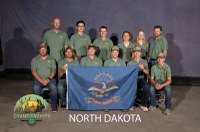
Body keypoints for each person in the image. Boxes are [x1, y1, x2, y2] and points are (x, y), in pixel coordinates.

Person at [31, 43, 57, 112]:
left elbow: (53, 71)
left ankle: (54, 106)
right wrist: (41, 80)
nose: (42, 51)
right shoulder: (34, 59)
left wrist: (48, 79)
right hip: (39, 79)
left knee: (54, 87)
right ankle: (38, 106)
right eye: (41, 49)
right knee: (36, 88)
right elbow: (34, 72)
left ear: (47, 50)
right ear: (39, 50)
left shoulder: (52, 59)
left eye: (44, 49)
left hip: (50, 79)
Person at [127, 46, 149, 111]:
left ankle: (144, 105)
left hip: (141, 78)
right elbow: (128, 74)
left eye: (138, 52)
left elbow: (147, 72)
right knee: (131, 86)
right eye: (136, 52)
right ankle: (131, 104)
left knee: (146, 87)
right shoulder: (130, 63)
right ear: (134, 53)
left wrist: (143, 69)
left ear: (140, 53)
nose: (137, 54)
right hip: (133, 79)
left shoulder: (144, 61)